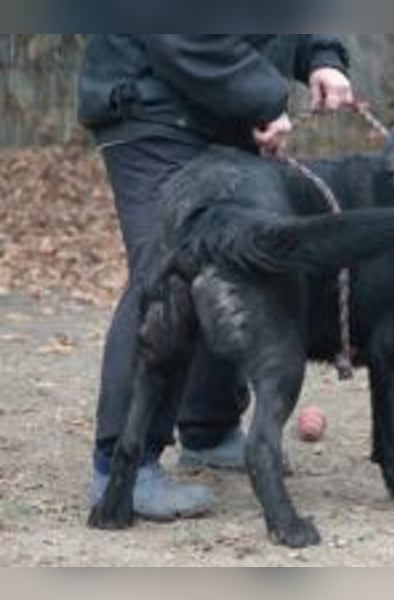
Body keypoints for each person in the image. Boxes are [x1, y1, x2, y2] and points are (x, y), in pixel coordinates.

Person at [77, 34, 353, 521]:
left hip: (220, 112)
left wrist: (320, 59)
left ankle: (208, 428)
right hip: (153, 112)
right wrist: (264, 97)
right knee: (163, 275)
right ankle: (122, 467)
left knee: (231, 261)